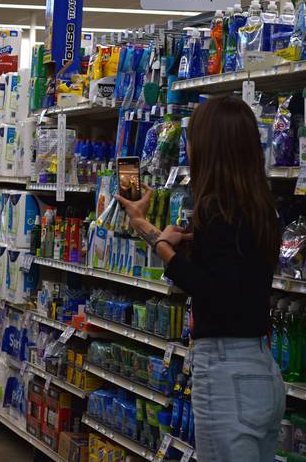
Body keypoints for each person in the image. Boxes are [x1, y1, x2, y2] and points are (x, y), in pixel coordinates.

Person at [116, 95, 284, 462]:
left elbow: (214, 290)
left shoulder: (216, 208)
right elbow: (229, 273)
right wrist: (146, 227)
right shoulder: (259, 208)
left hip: (225, 371)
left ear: (210, 146)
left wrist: (166, 252)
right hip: (261, 369)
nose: (187, 148)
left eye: (192, 139)